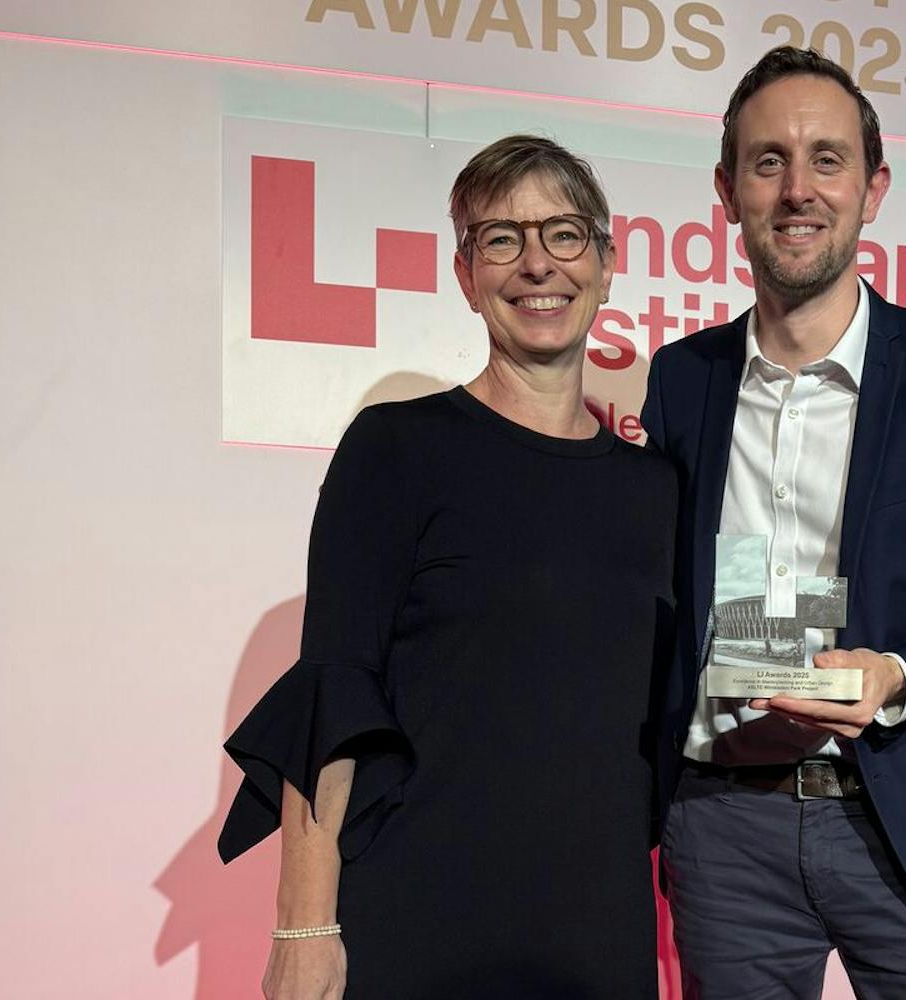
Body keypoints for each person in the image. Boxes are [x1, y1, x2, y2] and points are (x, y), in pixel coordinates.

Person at [218, 134, 676, 999]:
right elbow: (334, 693)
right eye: (502, 239)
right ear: (466, 276)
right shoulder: (397, 450)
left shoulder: (657, 489)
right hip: (419, 920)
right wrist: (304, 928)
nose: (538, 264)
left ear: (608, 265)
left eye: (565, 235)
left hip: (596, 935)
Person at [640, 47, 906, 999]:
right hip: (725, 830)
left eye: (827, 159)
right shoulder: (682, 379)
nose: (798, 190)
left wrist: (896, 675)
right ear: (727, 188)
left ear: (874, 188)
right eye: (768, 161)